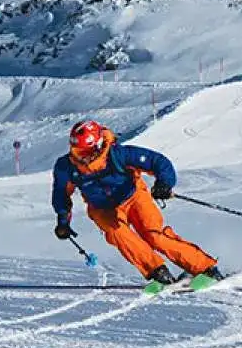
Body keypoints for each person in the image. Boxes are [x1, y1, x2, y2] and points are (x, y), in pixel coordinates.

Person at [51, 119, 223, 286]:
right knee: (117, 233)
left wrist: (164, 183)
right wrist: (63, 221)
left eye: (84, 153)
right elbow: (61, 194)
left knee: (154, 235)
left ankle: (205, 268)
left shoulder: (118, 155)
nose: (81, 158)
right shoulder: (66, 167)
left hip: (133, 197)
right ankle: (157, 271)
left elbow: (158, 162)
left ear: (98, 146)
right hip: (102, 208)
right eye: (76, 152)